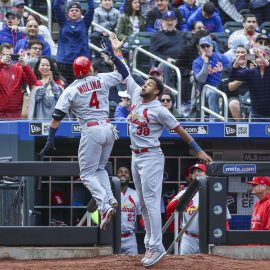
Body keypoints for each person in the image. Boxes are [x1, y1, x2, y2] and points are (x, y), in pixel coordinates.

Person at [110, 34, 212, 266]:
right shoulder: (136, 95)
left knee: (151, 202)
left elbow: (179, 129)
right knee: (144, 204)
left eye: (149, 84)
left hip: (151, 157)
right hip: (135, 156)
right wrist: (117, 53)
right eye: (145, 82)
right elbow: (125, 72)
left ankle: (156, 247)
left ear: (156, 92)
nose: (144, 85)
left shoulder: (159, 109)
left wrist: (197, 150)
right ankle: (151, 244)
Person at [39, 35, 129, 231]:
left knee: (87, 174)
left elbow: (57, 117)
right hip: (109, 128)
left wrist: (50, 139)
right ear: (89, 68)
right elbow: (124, 73)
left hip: (92, 130)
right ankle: (112, 200)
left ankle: (105, 206)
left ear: (74, 71)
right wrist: (114, 56)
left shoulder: (71, 89)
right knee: (100, 169)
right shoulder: (102, 78)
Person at [166, 163, 231, 254]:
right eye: (194, 172)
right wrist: (182, 197)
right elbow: (170, 207)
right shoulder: (185, 192)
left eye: (200, 171)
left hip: (209, 238)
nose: (196, 173)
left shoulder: (215, 194)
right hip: (189, 238)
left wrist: (222, 239)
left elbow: (225, 219)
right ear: (191, 176)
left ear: (206, 175)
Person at [54, 0, 94, 85]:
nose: (74, 12)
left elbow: (91, 8)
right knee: (64, 89)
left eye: (77, 10)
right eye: (71, 10)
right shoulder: (63, 22)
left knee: (80, 89)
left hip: (81, 63)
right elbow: (56, 6)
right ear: (67, 13)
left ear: (81, 13)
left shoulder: (85, 23)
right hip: (64, 62)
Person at [192, 36, 230, 121]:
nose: (206, 48)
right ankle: (214, 120)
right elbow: (201, 80)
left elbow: (230, 73)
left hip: (223, 85)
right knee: (213, 91)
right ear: (200, 48)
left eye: (207, 46)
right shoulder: (197, 62)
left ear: (212, 46)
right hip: (208, 88)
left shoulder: (222, 57)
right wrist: (205, 63)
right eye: (203, 46)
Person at [230, 46, 270, 121]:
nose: (260, 58)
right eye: (257, 57)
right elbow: (233, 76)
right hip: (256, 115)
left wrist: (262, 58)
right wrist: (235, 64)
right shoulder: (250, 72)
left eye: (263, 56)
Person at [0, 42, 37, 119]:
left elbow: (33, 82)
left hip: (15, 113)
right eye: (6, 55)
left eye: (11, 55)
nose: (9, 57)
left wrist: (25, 66)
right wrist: (1, 63)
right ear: (0, 55)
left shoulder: (19, 69)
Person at [116, 166, 142, 255]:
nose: (123, 174)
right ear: (116, 177)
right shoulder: (110, 194)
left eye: (126, 172)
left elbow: (140, 217)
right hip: (114, 237)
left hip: (130, 238)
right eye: (120, 172)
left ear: (130, 178)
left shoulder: (135, 194)